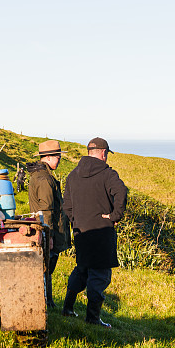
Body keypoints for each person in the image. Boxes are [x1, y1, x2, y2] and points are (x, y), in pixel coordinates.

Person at [61, 137, 127, 328]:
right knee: (100, 274)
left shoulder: (73, 175)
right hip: (101, 232)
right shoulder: (108, 174)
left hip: (81, 232)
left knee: (82, 268)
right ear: (104, 153)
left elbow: (67, 205)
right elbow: (121, 192)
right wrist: (115, 216)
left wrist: (76, 221)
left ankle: (67, 308)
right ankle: (92, 318)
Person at [27, 140, 71, 308]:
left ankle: (48, 301)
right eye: (58, 156)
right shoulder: (44, 179)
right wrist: (50, 235)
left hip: (44, 229)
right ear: (49, 157)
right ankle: (46, 302)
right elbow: (46, 210)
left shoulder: (39, 175)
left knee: (46, 267)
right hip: (47, 231)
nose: (59, 160)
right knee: (46, 267)